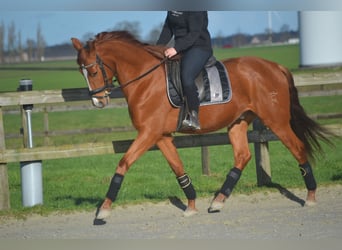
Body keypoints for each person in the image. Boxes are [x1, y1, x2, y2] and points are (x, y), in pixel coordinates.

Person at [156, 11, 213, 130]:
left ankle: (194, 117)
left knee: (186, 78)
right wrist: (156, 49)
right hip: (181, 48)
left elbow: (194, 33)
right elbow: (167, 29)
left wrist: (176, 48)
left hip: (199, 47)